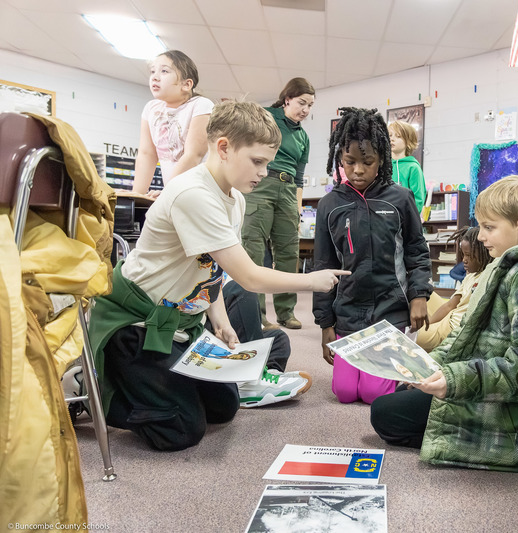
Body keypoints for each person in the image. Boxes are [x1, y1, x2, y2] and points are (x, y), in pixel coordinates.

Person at [88, 101, 348, 451]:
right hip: (137, 325)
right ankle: (93, 392)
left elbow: (211, 268)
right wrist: (311, 281)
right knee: (181, 430)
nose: (264, 172)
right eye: (257, 161)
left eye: (267, 163)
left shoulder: (235, 199)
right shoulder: (194, 193)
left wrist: (220, 320)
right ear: (224, 147)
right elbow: (249, 277)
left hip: (180, 319)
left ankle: (158, 382)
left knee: (224, 407)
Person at [370, 175, 518, 472]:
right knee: (403, 393)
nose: (481, 237)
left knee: (385, 415)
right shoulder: (501, 267)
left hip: (515, 414)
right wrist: (430, 365)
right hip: (488, 382)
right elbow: (465, 334)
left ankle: (472, 440)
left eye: (489, 228)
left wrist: (454, 379)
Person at [313, 107, 432, 405]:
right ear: (340, 160)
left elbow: (417, 251)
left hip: (390, 312)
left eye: (367, 162)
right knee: (344, 392)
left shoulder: (400, 199)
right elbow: (323, 267)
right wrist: (325, 323)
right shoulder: (329, 205)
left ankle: (405, 365)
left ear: (382, 160)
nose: (358, 170)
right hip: (348, 313)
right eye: (350, 162)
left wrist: (419, 296)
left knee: (373, 394)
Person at [241, 78, 315, 330]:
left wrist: (297, 207)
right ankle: (257, 314)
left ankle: (286, 312)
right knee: (254, 251)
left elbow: (299, 176)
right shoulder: (266, 117)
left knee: (288, 252)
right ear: (287, 99)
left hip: (287, 190)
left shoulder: (303, 137)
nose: (305, 109)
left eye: (310, 105)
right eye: (301, 102)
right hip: (261, 185)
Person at [132, 50, 213, 196]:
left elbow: (194, 155)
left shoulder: (201, 105)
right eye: (152, 71)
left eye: (164, 71)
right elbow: (147, 154)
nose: (155, 77)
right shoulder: (151, 109)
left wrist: (167, 193)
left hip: (200, 192)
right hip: (174, 193)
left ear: (186, 84)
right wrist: (137, 195)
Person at [416, 226, 492, 352]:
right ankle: (421, 326)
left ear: (484, 254)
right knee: (421, 294)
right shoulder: (471, 275)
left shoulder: (487, 277)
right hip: (449, 316)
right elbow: (450, 305)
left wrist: (427, 329)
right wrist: (428, 325)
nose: (464, 260)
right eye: (463, 255)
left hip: (451, 329)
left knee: (408, 337)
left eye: (468, 255)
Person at [388, 120, 426, 212]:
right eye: (390, 135)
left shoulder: (413, 168)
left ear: (408, 142)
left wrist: (409, 219)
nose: (392, 139)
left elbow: (418, 199)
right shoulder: (382, 167)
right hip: (384, 221)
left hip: (405, 221)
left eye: (398, 136)